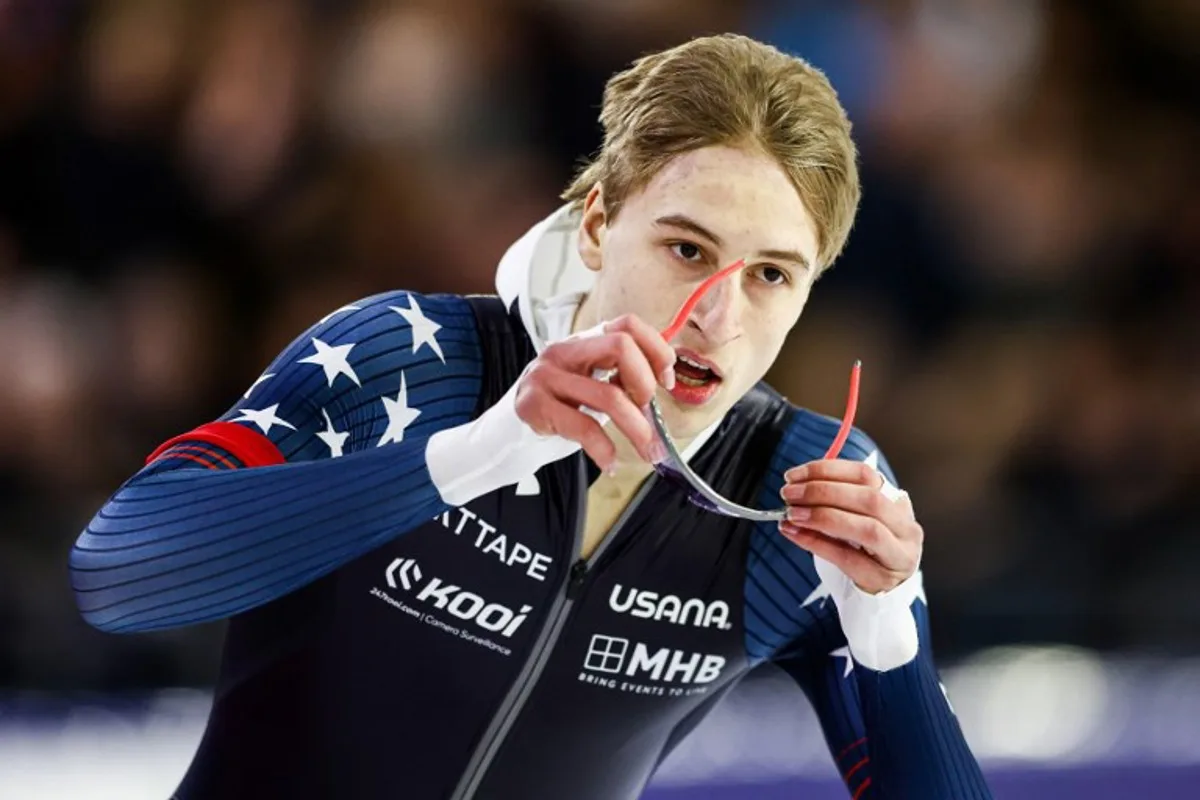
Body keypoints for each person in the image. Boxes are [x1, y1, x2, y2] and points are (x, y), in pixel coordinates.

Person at [70, 33, 991, 800]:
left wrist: (888, 629)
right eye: (685, 247)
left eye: (770, 274)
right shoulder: (414, 365)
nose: (718, 315)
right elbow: (116, 578)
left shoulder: (797, 496)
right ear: (596, 226)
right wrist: (480, 453)